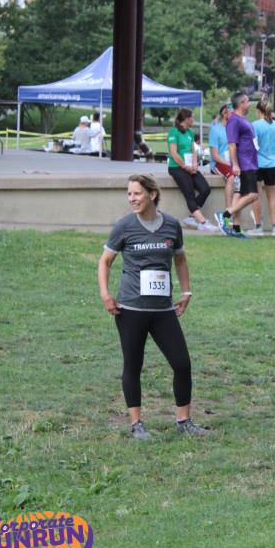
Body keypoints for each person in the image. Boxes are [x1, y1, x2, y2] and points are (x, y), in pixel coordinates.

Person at [97, 174, 208, 439]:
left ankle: (184, 421)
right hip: (131, 310)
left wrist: (186, 291)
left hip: (163, 311)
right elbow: (105, 261)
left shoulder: (171, 225)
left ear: (152, 194)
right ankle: (136, 424)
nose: (132, 199)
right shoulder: (124, 226)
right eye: (129, 194)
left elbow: (180, 260)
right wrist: (105, 294)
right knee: (133, 365)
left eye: (137, 193)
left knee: (182, 364)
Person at [166, 109, 218, 233]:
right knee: (189, 194)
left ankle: (191, 217)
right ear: (186, 119)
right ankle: (203, 222)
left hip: (190, 167)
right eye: (192, 118)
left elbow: (193, 151)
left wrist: (194, 164)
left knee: (205, 189)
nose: (194, 120)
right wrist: (185, 167)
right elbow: (174, 153)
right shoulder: (174, 132)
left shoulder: (189, 132)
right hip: (177, 167)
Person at [218, 92, 259, 238]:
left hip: (250, 162)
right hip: (244, 164)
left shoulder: (243, 120)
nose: (250, 104)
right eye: (247, 101)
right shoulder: (234, 120)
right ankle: (225, 214)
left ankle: (236, 228)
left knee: (239, 194)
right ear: (241, 104)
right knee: (253, 194)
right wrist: (235, 164)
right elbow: (232, 144)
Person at [252, 100, 275, 236]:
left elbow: (253, 145)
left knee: (256, 196)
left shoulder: (255, 125)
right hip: (272, 164)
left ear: (258, 111)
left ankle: (258, 226)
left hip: (258, 164)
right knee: (272, 197)